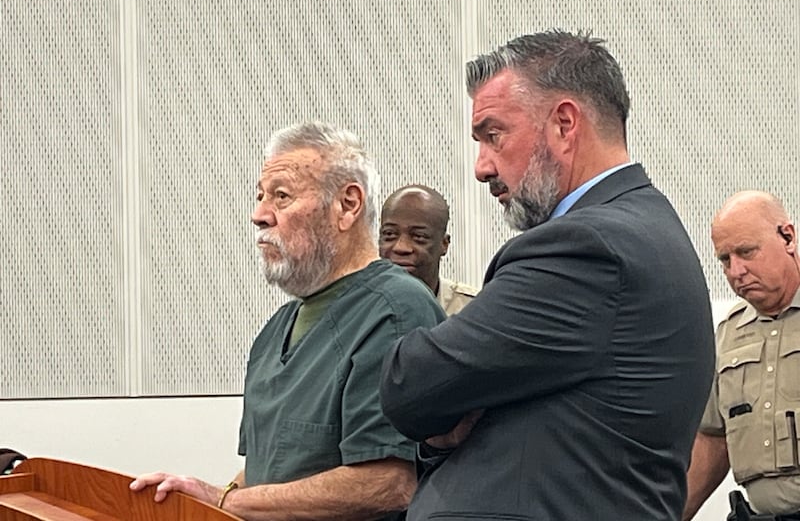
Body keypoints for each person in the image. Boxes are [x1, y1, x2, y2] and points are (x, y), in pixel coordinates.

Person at [379, 30, 715, 520]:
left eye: (493, 135)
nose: (481, 167)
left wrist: (447, 408)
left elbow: (409, 384)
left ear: (563, 124)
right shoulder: (632, 231)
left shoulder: (587, 249)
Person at [131, 122, 445, 520]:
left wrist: (223, 501)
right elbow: (271, 472)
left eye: (281, 196)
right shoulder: (277, 330)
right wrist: (198, 501)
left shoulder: (395, 311)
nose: (259, 215)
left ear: (348, 205)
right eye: (260, 197)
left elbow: (388, 482)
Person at [683, 191, 800, 521]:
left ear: (787, 237)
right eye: (725, 259)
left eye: (747, 252)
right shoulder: (730, 333)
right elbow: (712, 440)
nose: (736, 271)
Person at [379, 184, 478, 315]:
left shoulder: (473, 309)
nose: (401, 247)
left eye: (419, 236)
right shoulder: (355, 307)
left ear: (444, 244)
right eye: (390, 234)